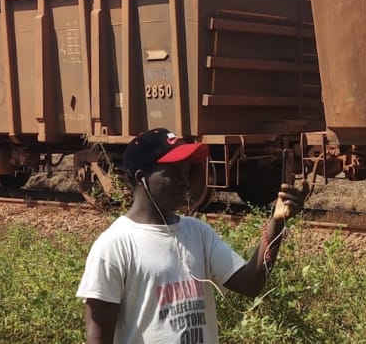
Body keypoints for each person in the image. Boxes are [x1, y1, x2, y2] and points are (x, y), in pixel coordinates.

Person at [76, 128, 309, 344]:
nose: (185, 181)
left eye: (186, 171)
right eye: (173, 172)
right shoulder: (114, 246)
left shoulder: (198, 232)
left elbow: (251, 284)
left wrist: (277, 224)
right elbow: (98, 338)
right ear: (141, 177)